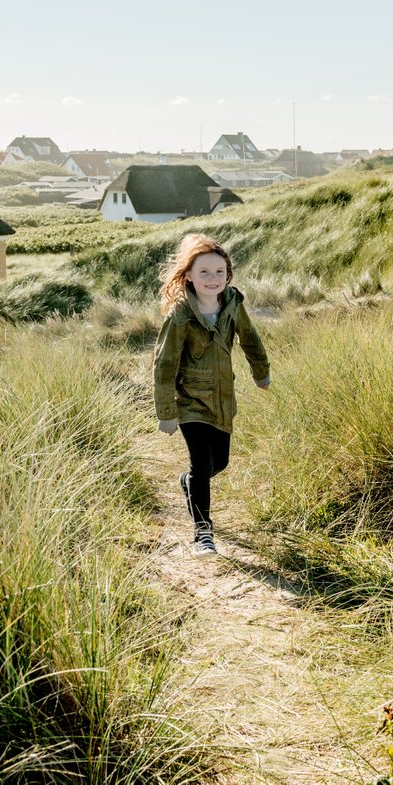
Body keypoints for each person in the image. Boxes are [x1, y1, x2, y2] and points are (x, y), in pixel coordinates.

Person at [153, 233, 270, 557]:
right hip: (190, 401)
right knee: (202, 464)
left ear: (228, 274)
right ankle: (203, 534)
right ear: (188, 275)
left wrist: (261, 373)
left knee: (220, 462)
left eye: (219, 271)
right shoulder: (180, 315)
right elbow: (164, 365)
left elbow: (250, 339)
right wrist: (166, 413)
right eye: (204, 272)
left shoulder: (232, 303)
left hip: (222, 398)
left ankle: (189, 482)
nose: (212, 278)